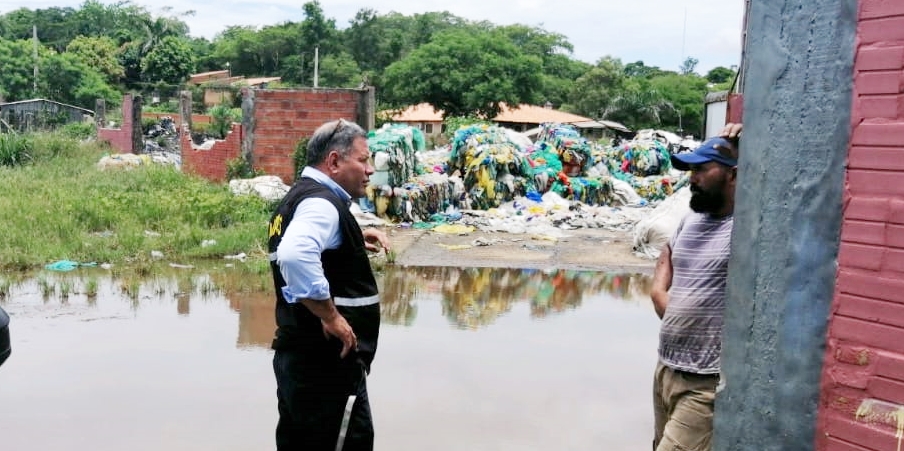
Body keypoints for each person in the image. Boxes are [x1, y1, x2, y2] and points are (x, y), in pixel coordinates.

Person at [268, 118, 391, 451]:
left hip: (300, 362)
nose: (369, 170)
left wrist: (349, 238)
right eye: (363, 160)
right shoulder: (321, 204)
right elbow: (294, 254)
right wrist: (330, 316)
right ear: (334, 161)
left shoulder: (299, 197)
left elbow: (304, 247)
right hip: (325, 369)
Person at [650, 123, 742, 451]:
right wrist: (658, 293)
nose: (692, 178)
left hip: (705, 383)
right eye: (691, 170)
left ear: (733, 175)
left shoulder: (744, 228)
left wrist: (755, 137)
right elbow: (667, 252)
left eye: (702, 169)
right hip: (666, 369)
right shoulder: (690, 220)